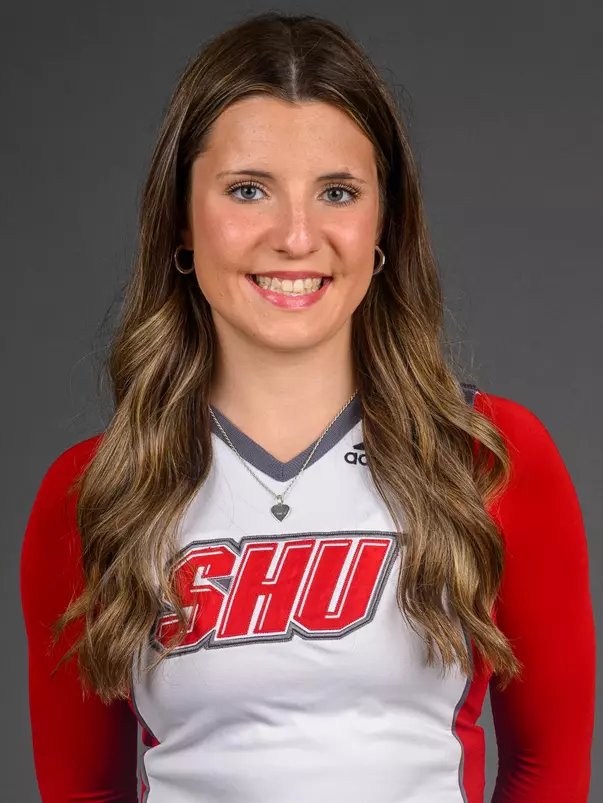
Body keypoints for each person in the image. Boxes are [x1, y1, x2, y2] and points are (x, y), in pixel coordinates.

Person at [20, 11, 595, 803]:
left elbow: (546, 772)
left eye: (336, 191)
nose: (296, 236)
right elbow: (82, 789)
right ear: (182, 224)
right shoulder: (92, 495)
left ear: (381, 224)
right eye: (249, 189)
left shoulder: (487, 459)